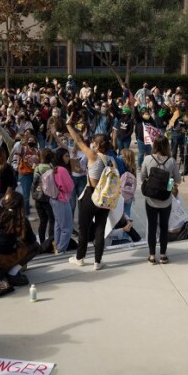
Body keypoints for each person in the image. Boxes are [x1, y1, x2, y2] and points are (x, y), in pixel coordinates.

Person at [66, 110, 115, 270]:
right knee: (100, 228)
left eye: (94, 142)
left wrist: (69, 125)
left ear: (98, 145)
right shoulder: (111, 159)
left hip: (91, 194)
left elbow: (78, 140)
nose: (91, 144)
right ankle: (97, 262)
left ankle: (80, 258)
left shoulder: (94, 156)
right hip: (105, 196)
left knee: (84, 227)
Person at [140, 136, 181, 264]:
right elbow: (178, 179)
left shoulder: (147, 159)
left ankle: (152, 255)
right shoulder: (171, 161)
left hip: (151, 199)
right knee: (164, 227)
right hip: (165, 200)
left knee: (152, 227)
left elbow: (142, 177)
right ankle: (163, 255)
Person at [50, 148, 76, 254]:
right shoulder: (62, 170)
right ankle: (61, 249)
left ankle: (57, 246)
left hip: (54, 199)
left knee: (58, 225)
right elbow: (69, 186)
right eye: (66, 156)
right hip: (62, 199)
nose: (68, 158)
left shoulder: (55, 168)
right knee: (67, 228)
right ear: (61, 157)